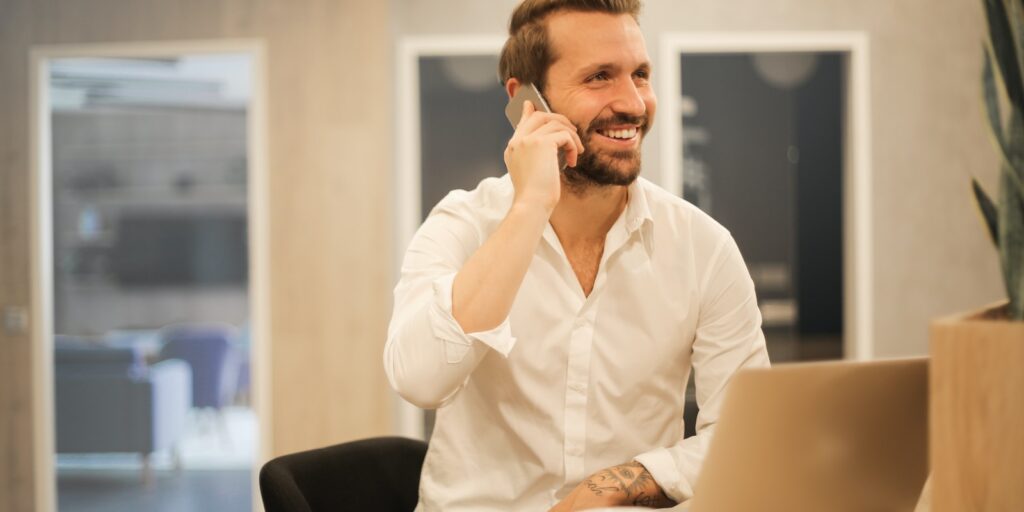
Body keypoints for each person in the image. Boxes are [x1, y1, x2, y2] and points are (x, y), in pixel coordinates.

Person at [384, 0, 770, 510]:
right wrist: (529, 208)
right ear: (527, 100)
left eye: (640, 74)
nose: (633, 103)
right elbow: (420, 379)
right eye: (599, 78)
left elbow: (745, 438)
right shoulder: (462, 224)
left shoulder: (705, 249)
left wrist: (609, 485)